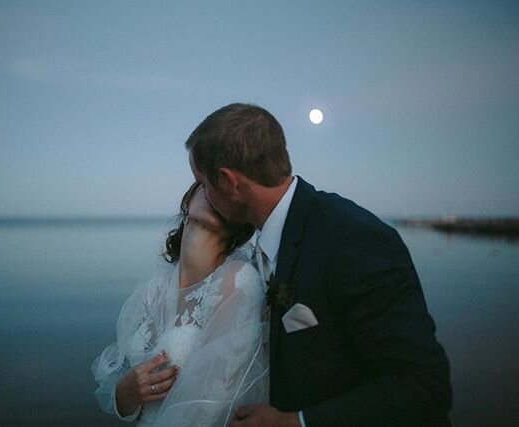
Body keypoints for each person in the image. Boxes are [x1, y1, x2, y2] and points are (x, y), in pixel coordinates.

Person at [185, 103, 453, 426]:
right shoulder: (263, 246)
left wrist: (294, 422)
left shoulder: (354, 239)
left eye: (204, 184)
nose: (204, 195)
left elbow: (423, 388)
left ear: (230, 182)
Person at [92, 181, 269, 426]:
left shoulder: (237, 281)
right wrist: (125, 392)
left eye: (231, 192)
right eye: (210, 183)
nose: (218, 192)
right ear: (188, 201)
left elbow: (211, 404)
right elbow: (123, 400)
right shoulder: (153, 290)